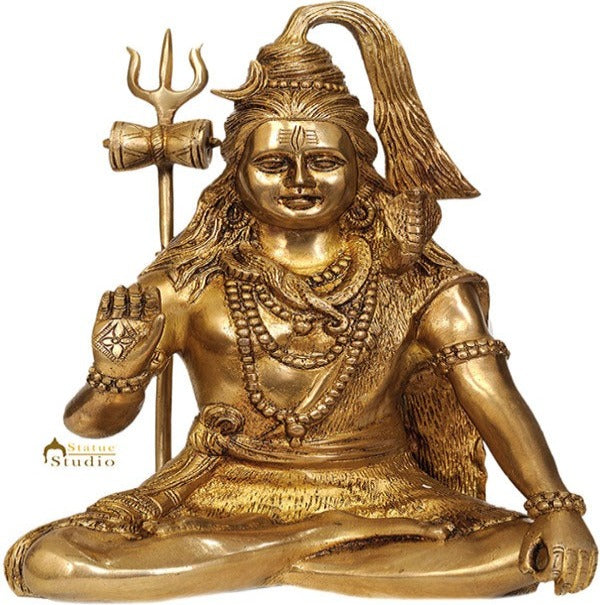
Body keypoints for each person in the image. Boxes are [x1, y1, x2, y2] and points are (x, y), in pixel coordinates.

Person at [4, 2, 596, 600]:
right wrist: (115, 375)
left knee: (523, 554)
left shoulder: (418, 280)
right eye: (272, 164)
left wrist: (555, 507)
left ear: (360, 168)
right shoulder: (185, 282)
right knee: (51, 563)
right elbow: (89, 427)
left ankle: (254, 563)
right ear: (236, 172)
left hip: (386, 497)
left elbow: (492, 394)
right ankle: (320, 542)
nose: (299, 182)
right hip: (216, 493)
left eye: (323, 162)